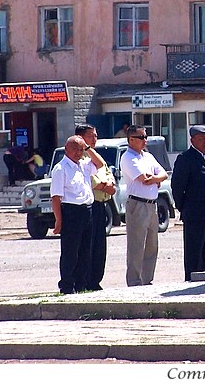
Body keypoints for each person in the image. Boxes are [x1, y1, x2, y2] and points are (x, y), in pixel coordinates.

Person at [171, 125, 205, 281]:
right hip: (195, 214)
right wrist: (183, 207)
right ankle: (191, 281)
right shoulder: (185, 158)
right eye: (202, 139)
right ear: (192, 140)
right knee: (194, 253)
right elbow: (178, 187)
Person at [121, 124, 169, 286]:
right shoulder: (128, 157)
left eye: (145, 136)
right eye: (141, 137)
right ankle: (134, 281)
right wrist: (156, 179)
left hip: (152, 204)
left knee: (152, 244)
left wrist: (155, 179)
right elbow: (144, 178)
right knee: (136, 244)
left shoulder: (147, 156)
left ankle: (147, 279)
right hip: (137, 204)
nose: (145, 140)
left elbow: (163, 173)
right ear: (131, 139)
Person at [50, 135, 95, 294]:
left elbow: (100, 164)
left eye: (81, 149)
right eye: (75, 149)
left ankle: (81, 285)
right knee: (70, 252)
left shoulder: (83, 165)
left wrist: (88, 149)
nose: (78, 153)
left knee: (85, 250)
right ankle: (67, 286)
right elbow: (56, 197)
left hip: (87, 210)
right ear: (66, 149)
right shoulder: (61, 169)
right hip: (71, 212)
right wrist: (58, 220)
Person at [76, 123, 113, 291]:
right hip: (86, 206)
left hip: (101, 205)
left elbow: (103, 168)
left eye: (96, 136)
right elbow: (90, 180)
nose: (94, 139)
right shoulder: (77, 158)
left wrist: (109, 185)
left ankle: (95, 281)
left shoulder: (92, 156)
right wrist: (103, 185)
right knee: (87, 246)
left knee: (99, 247)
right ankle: (84, 281)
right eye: (91, 136)